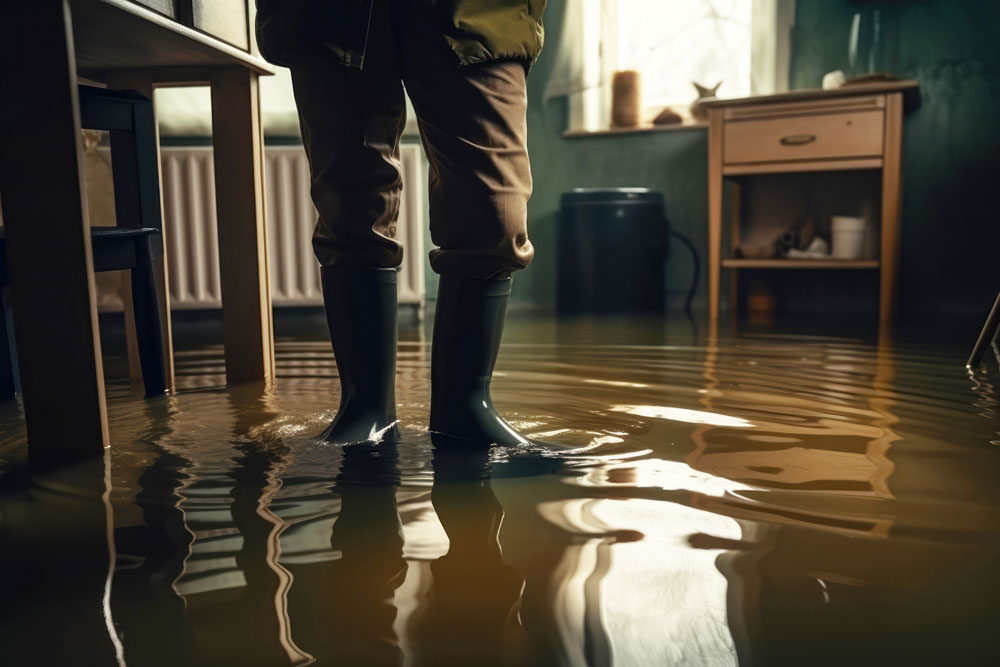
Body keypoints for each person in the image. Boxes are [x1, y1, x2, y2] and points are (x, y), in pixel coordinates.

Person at [256, 0, 547, 445]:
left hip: (480, 12)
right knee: (351, 203)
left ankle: (466, 410)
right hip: (327, 14)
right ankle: (365, 408)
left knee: (495, 211)